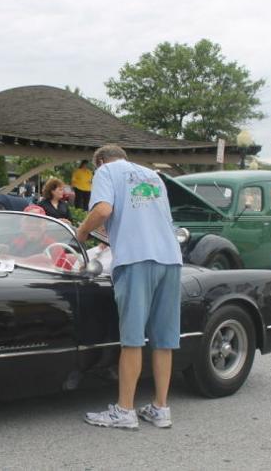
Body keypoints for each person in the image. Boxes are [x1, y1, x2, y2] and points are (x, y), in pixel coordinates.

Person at [76, 145, 182, 430]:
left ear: (99, 162)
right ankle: (161, 408)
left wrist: (83, 231)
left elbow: (103, 209)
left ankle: (124, 410)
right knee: (164, 339)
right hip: (171, 258)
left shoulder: (106, 172)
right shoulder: (153, 175)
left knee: (132, 339)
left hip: (136, 258)